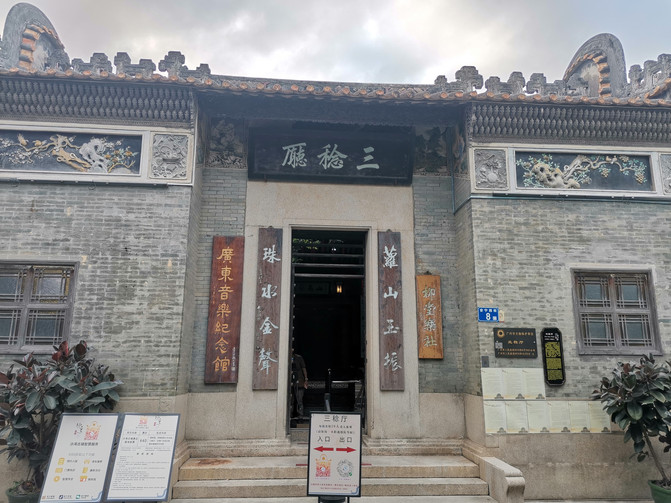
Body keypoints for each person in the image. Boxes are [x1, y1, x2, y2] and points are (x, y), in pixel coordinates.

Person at [292, 353, 308, 417]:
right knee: (291, 400)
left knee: (299, 400)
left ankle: (300, 415)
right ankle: (291, 414)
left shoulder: (299, 357)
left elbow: (304, 368)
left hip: (299, 381)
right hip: (290, 381)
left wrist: (306, 379)